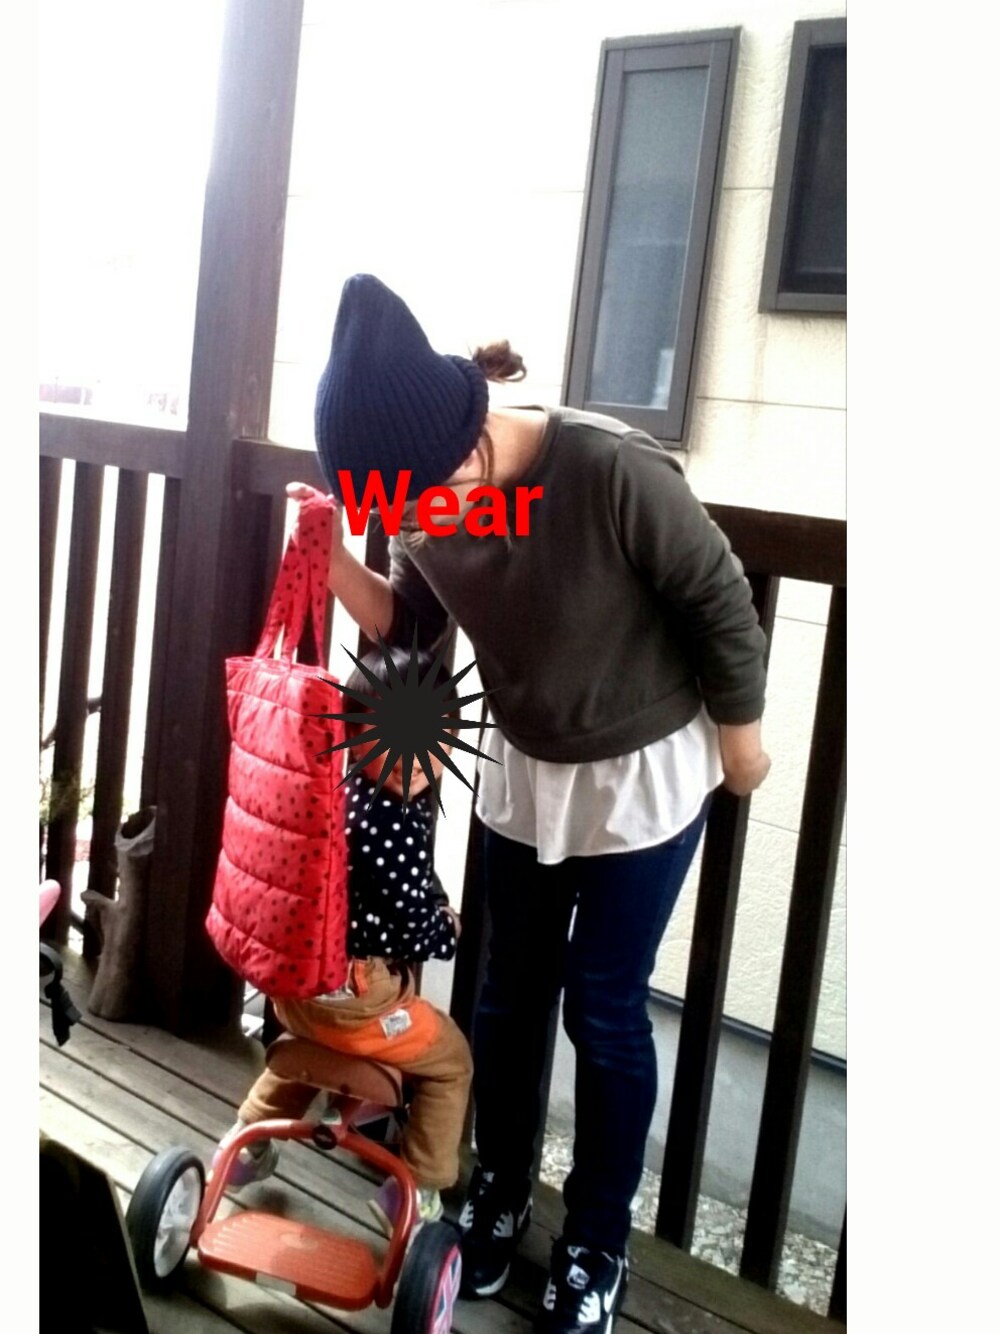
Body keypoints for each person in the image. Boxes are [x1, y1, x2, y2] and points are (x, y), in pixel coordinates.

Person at [290, 273, 770, 1334]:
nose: (410, 525)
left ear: (466, 449)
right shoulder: (424, 494)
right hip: (525, 767)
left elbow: (717, 597)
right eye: (391, 512)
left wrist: (742, 742)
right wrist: (327, 564)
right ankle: (498, 1187)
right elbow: (415, 625)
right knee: (506, 995)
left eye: (412, 503)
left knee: (603, 1006)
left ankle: (597, 1238)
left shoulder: (605, 469)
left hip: (641, 771)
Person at [216, 644, 473, 1233]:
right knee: (451, 1060)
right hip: (360, 999)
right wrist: (445, 931)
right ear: (356, 736)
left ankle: (243, 1146)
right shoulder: (396, 821)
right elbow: (412, 919)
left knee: (307, 1051)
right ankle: (415, 1190)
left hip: (299, 990)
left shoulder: (333, 791)